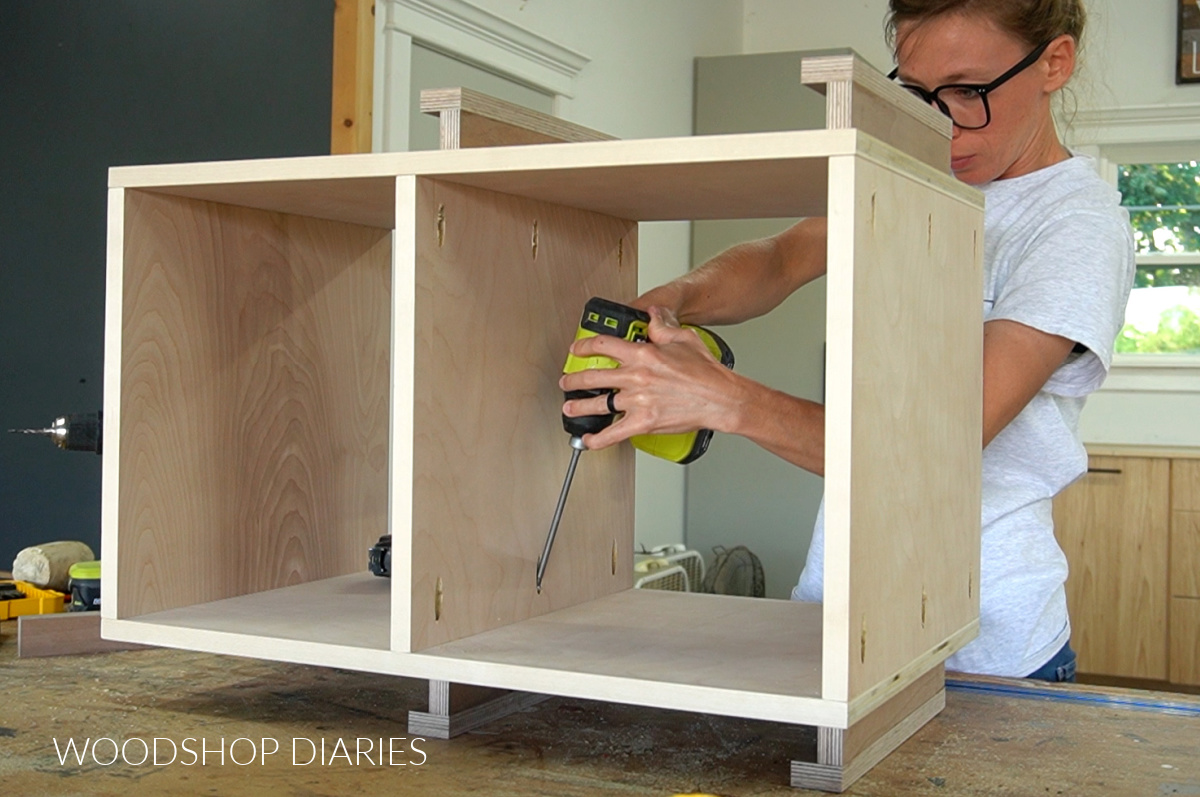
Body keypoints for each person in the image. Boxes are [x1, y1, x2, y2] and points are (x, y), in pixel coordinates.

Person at [559, 0, 1135, 681]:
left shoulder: (1076, 226)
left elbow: (931, 443)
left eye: (968, 91)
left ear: (1053, 64)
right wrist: (670, 301)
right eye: (918, 94)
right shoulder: (909, 176)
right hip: (833, 617)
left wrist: (723, 399)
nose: (942, 119)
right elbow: (782, 255)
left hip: (983, 650)